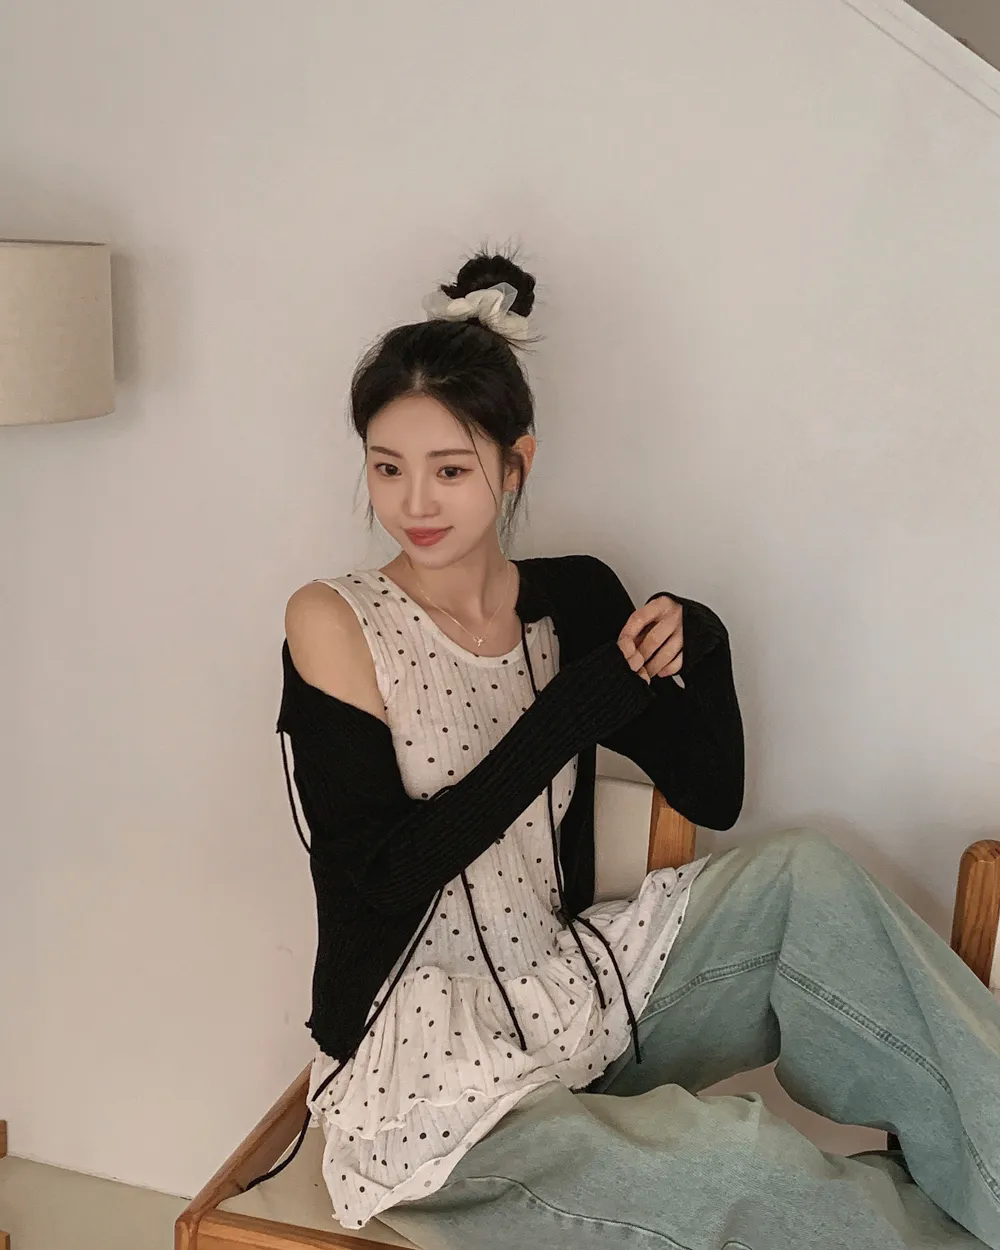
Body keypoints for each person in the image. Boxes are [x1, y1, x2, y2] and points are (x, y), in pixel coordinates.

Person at [271, 248, 1000, 1249]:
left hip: (572, 995)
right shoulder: (333, 621)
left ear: (517, 463)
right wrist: (573, 711)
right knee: (743, 1168)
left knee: (807, 877)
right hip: (430, 1089)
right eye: (387, 466)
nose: (415, 503)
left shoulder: (571, 598)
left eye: (451, 469)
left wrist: (706, 641)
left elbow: (712, 790)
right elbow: (384, 875)